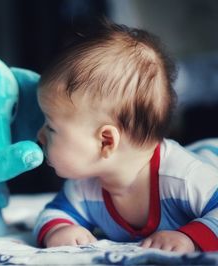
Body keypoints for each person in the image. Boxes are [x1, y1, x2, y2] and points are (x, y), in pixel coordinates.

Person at [34, 19, 218, 252]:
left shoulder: (182, 178)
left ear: (106, 141)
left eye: (51, 127)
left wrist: (190, 238)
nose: (39, 135)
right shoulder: (84, 186)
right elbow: (54, 213)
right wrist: (58, 229)